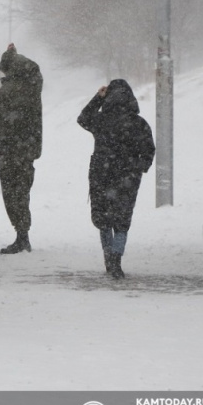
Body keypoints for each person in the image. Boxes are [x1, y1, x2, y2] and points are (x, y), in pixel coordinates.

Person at [77, 79, 155, 279]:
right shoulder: (139, 123)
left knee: (103, 219)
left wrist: (98, 98)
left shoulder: (101, 120)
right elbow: (148, 152)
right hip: (127, 178)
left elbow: (83, 118)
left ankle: (107, 256)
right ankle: (116, 258)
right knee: (122, 219)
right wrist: (137, 168)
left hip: (101, 174)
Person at [0, 43, 43, 254]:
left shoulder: (12, 88)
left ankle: (22, 236)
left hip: (11, 148)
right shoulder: (33, 84)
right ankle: (23, 234)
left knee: (13, 193)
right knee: (22, 191)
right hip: (26, 148)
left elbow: (5, 119)